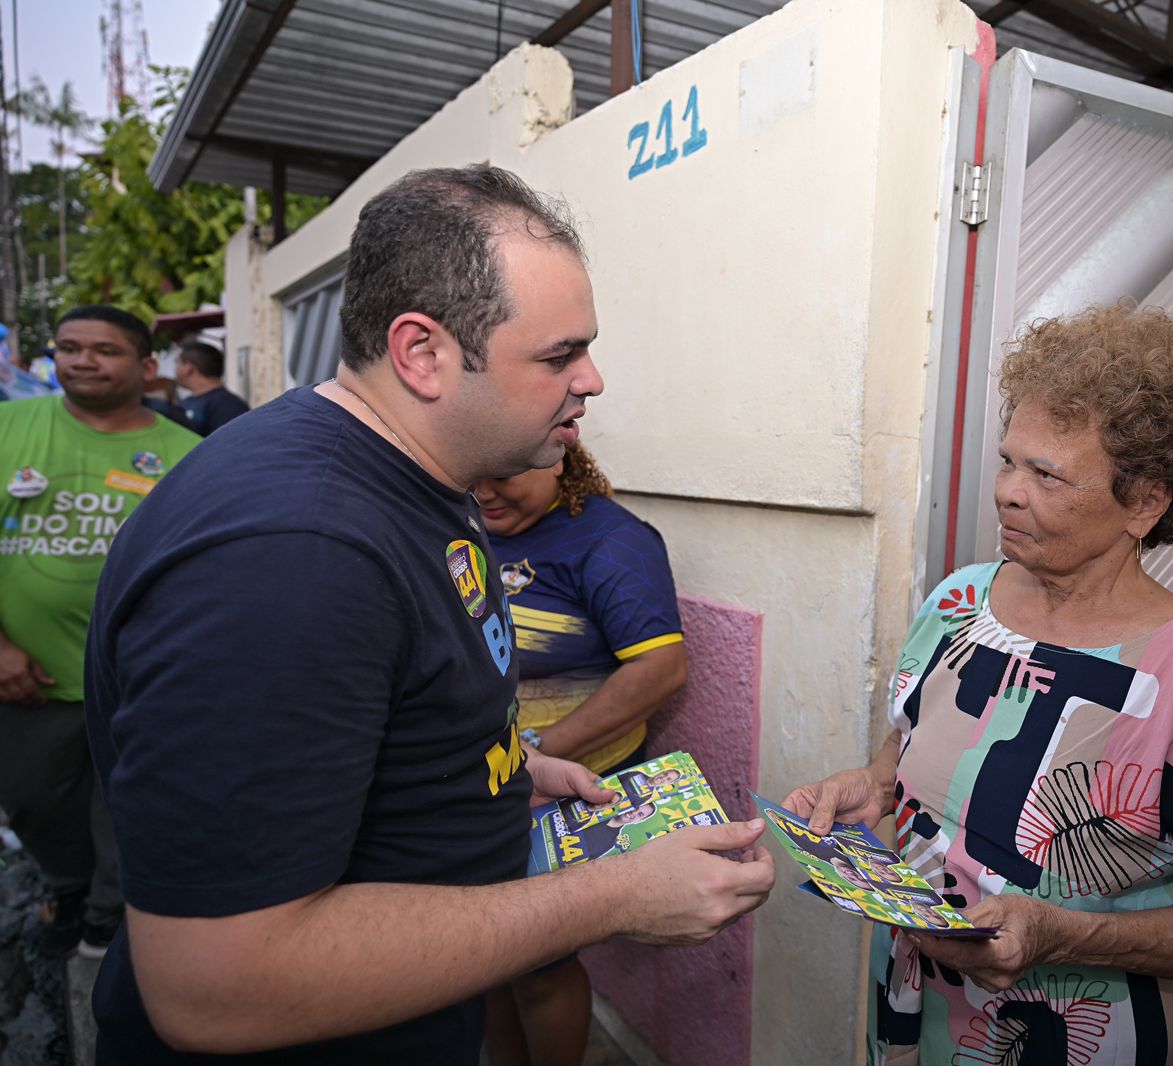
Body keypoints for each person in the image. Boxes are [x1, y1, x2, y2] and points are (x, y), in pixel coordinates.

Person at [82, 165, 774, 1065]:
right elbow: (213, 982)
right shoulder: (296, 555)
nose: (594, 380)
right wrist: (610, 896)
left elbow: (370, 714)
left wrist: (497, 772)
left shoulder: (425, 476)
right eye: (560, 355)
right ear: (423, 353)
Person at [786, 304, 1173, 1064]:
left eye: (1047, 474)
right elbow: (905, 747)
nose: (1010, 491)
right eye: (1010, 461)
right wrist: (874, 787)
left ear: (1144, 503)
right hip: (917, 1019)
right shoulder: (958, 601)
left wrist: (1065, 935)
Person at [0, 305, 201, 959]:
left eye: (104, 350)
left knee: (132, 809)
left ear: (147, 367)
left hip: (142, 681)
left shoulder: (190, 456)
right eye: (68, 347)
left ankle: (105, 924)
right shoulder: (9, 427)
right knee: (34, 804)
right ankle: (69, 883)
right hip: (30, 678)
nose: (82, 360)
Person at [476, 441, 687, 776]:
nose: (484, 492)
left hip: (574, 785)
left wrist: (533, 754)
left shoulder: (615, 542)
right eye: (474, 473)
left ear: (554, 459)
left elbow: (661, 670)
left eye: (502, 475)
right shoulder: (470, 525)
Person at [174, 341, 250, 436]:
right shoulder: (187, 402)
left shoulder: (228, 406)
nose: (175, 369)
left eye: (177, 363)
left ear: (188, 368)